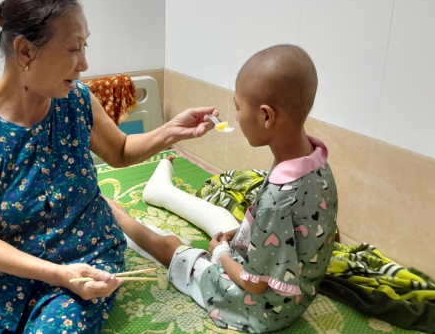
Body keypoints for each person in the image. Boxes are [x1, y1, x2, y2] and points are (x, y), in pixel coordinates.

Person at [0, 0, 218, 334]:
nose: (84, 63)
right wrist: (57, 275)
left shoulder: (75, 100)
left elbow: (119, 151)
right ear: (25, 51)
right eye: (73, 49)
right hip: (5, 278)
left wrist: (170, 132)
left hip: (85, 259)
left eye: (84, 46)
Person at [108, 45, 339, 333]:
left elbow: (253, 284)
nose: (237, 116)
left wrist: (220, 254)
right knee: (226, 228)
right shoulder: (318, 163)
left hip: (259, 310)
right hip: (299, 296)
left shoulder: (278, 201)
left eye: (239, 107)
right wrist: (242, 233)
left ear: (266, 116)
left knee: (173, 248)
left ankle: (117, 216)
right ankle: (161, 193)